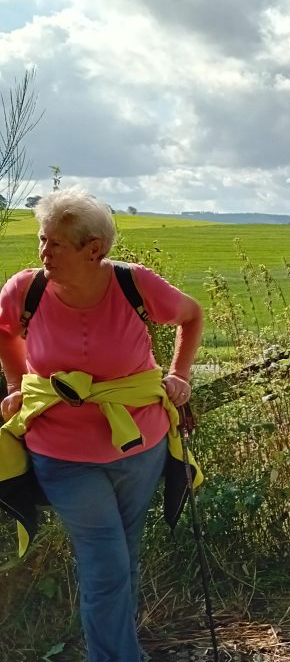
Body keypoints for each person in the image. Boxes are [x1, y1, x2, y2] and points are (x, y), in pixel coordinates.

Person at [0, 188, 203, 662]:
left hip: (141, 446)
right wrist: (16, 382)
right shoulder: (25, 289)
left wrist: (179, 376)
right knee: (106, 562)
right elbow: (4, 330)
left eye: (55, 244)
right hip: (62, 454)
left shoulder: (135, 284)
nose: (43, 251)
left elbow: (191, 315)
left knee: (124, 557)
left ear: (94, 249)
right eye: (42, 240)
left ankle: (119, 649)